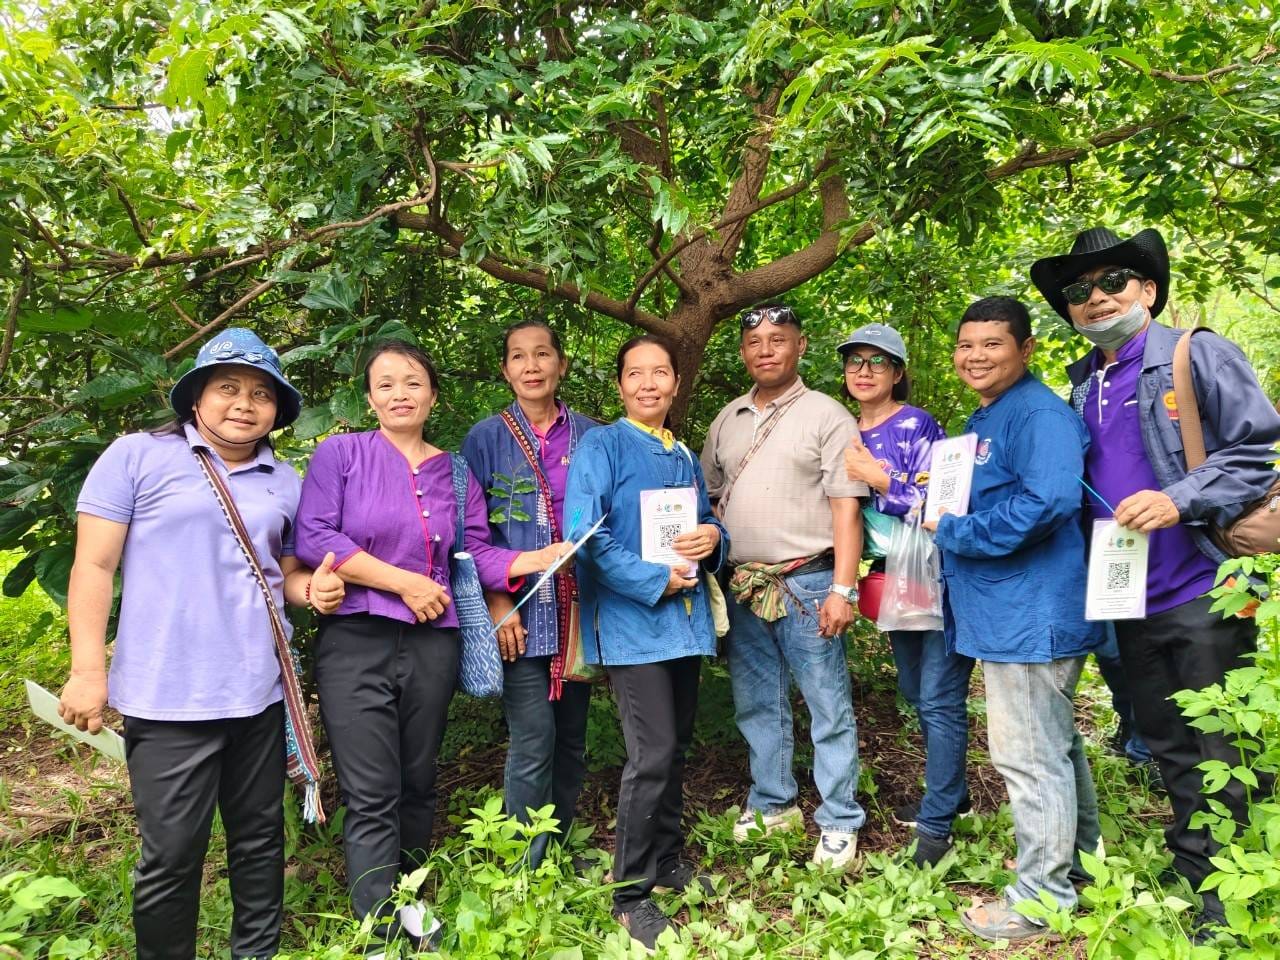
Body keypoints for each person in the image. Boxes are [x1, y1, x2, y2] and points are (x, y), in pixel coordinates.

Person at [58, 328, 345, 960]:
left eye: (261, 394)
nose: (244, 404)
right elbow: (93, 567)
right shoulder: (136, 456)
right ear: (196, 397)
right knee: (171, 856)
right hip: (167, 698)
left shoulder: (286, 479)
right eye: (228, 388)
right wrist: (86, 670)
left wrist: (313, 592)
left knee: (260, 841)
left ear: (276, 411)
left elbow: (288, 575)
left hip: (260, 694)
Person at [1032, 226, 1280, 935]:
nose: (1095, 299)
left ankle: (1227, 890)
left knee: (1219, 743)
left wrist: (1179, 499)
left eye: (1112, 282)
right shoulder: (1084, 381)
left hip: (1203, 583)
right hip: (1127, 594)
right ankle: (1196, 857)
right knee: (1166, 735)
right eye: (1079, 291)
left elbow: (1255, 453)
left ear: (1147, 288)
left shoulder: (1193, 353)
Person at [293, 340, 568, 952]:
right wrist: (404, 581)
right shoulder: (340, 454)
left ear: (432, 395)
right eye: (385, 384)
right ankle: (377, 925)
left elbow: (475, 551)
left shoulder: (458, 472)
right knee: (371, 789)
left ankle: (409, 900)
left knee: (418, 779)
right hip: (356, 640)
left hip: (432, 645)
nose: (399, 394)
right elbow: (313, 534)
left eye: (412, 382)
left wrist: (533, 558)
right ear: (369, 398)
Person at [923, 297, 1102, 941]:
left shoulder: (1038, 414)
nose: (976, 356)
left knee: (1028, 755)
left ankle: (1040, 898)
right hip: (1006, 610)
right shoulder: (990, 417)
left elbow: (1048, 501)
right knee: (1053, 743)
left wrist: (959, 531)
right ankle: (1081, 869)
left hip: (1031, 610)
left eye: (993, 344)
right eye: (966, 344)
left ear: (1024, 350)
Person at [564, 334, 727, 952]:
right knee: (651, 752)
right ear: (620, 385)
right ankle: (630, 893)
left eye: (661, 372)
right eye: (637, 373)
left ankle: (669, 861)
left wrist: (714, 539)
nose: (650, 383)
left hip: (684, 623)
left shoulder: (682, 453)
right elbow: (586, 536)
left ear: (675, 383)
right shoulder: (601, 446)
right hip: (636, 625)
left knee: (676, 747)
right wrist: (653, 580)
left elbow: (707, 521)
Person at [700, 302, 868, 872]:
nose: (766, 349)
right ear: (744, 352)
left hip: (810, 580)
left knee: (827, 704)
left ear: (800, 347)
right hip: (746, 583)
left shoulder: (828, 415)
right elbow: (711, 498)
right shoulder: (727, 420)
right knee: (757, 701)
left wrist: (843, 591)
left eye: (779, 339)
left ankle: (840, 819)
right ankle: (773, 802)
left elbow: (847, 510)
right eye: (755, 342)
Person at [460, 320, 599, 868]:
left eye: (543, 354)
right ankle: (524, 860)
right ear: (506, 370)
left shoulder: (592, 435)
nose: (532, 365)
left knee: (570, 737)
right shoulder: (485, 438)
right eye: (519, 357)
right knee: (533, 735)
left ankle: (558, 848)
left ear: (561, 364)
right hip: (518, 609)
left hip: (580, 611)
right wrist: (496, 601)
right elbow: (471, 534)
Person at [837, 322, 973, 866]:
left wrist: (878, 477)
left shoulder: (918, 425)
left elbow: (937, 502)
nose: (864, 371)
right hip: (891, 574)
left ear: (897, 373)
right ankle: (956, 795)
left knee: (938, 699)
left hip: (934, 569)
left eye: (877, 362)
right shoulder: (844, 428)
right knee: (917, 691)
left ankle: (938, 817)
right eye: (855, 362)